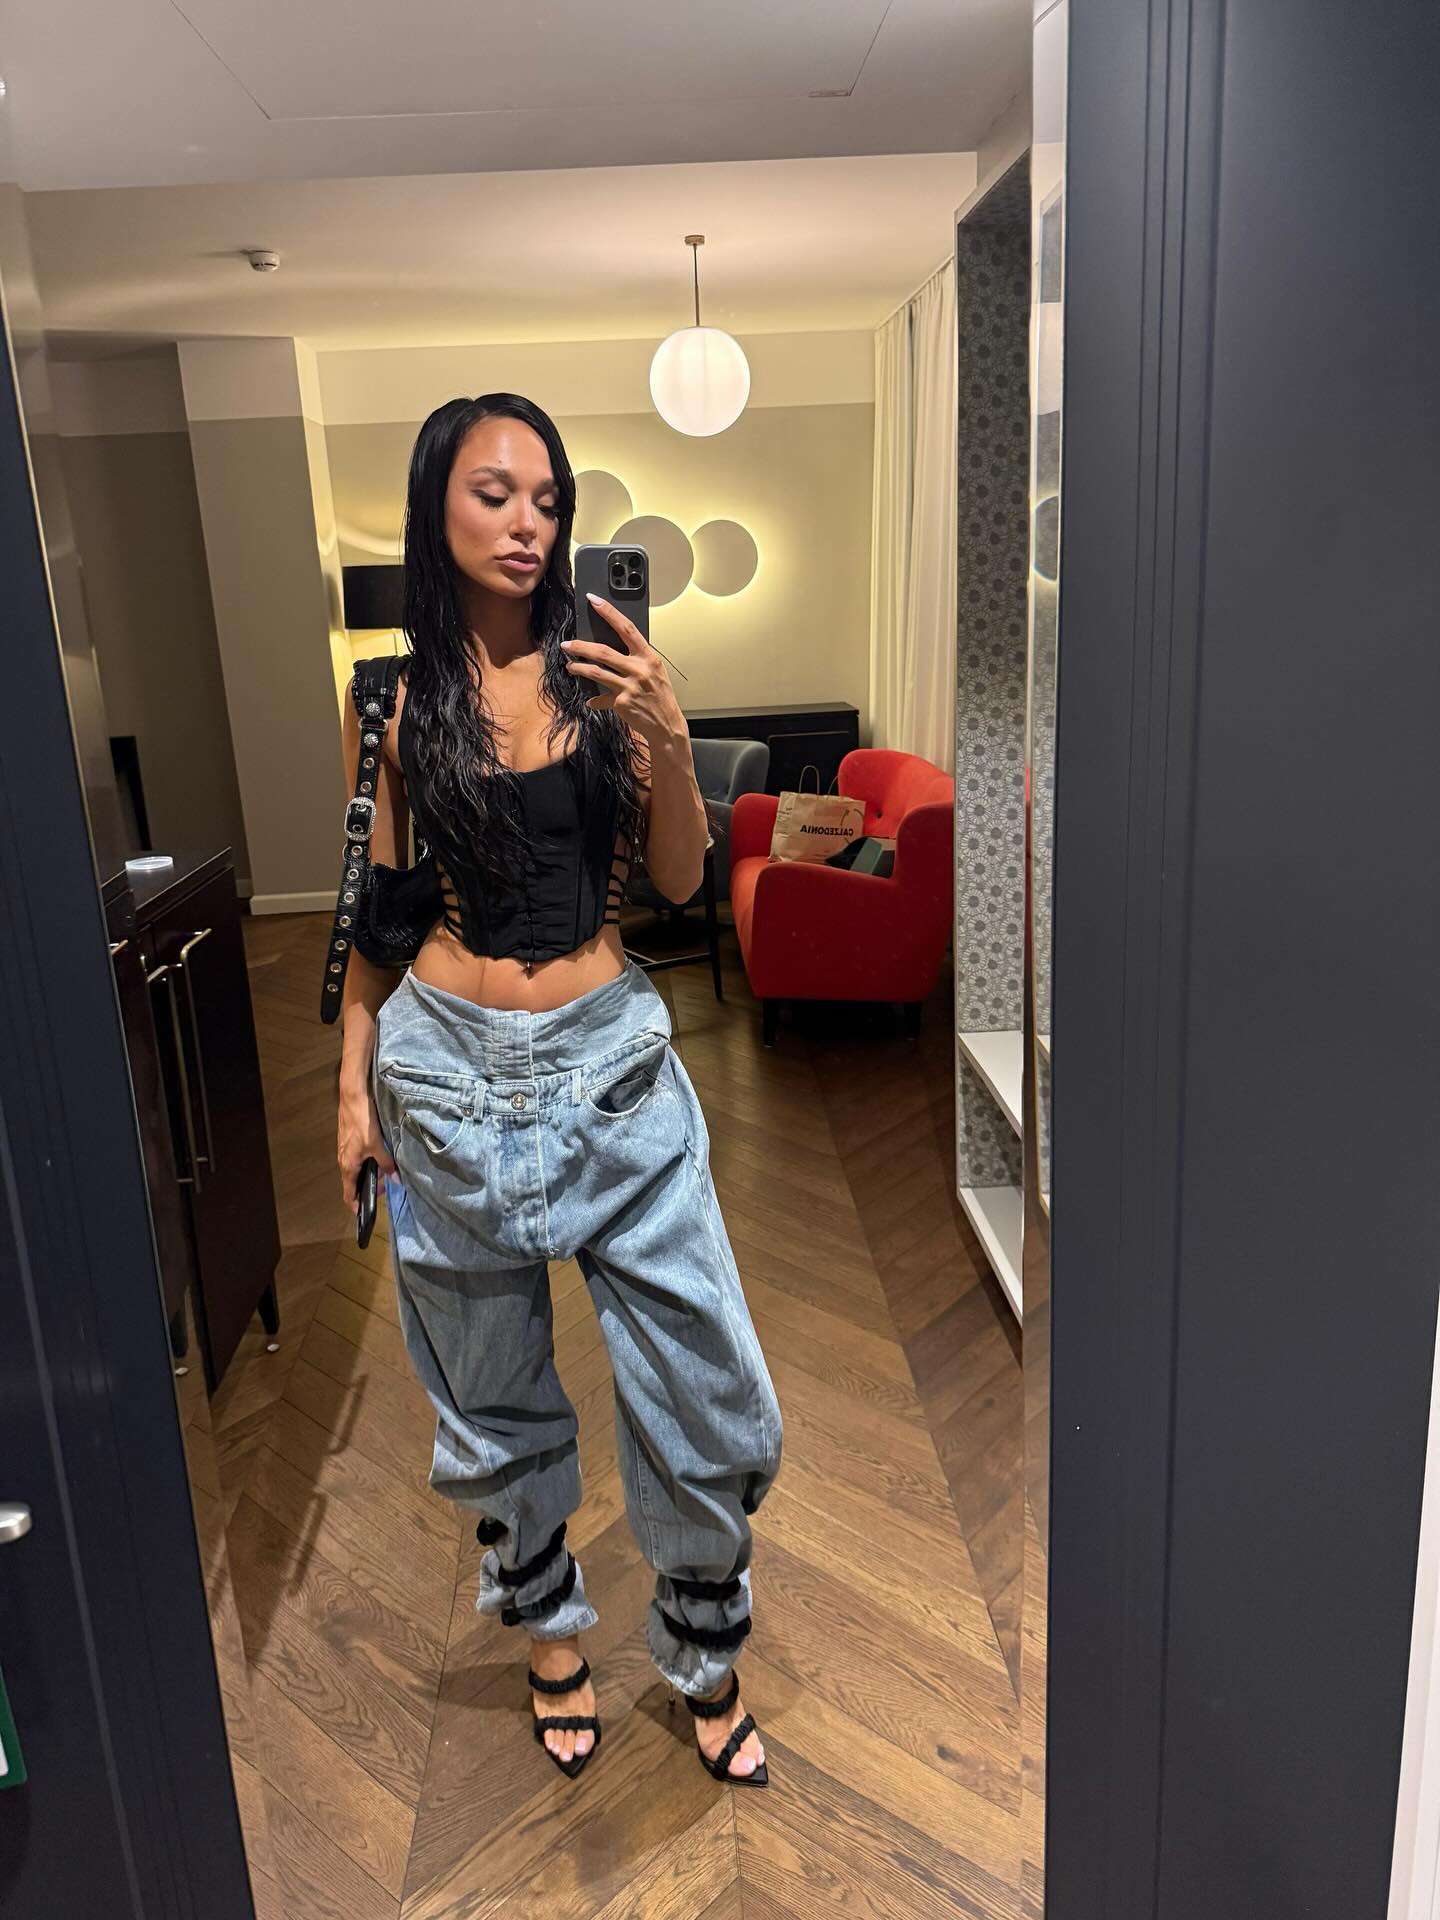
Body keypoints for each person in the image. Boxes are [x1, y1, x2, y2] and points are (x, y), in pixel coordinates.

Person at [335, 393, 782, 1789]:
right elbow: (375, 914)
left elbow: (679, 884)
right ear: (437, 508)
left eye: (546, 498)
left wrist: (668, 734)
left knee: (708, 1388)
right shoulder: (391, 702)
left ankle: (703, 1647)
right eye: (494, 493)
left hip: (613, 1073)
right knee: (491, 1401)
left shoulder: (605, 680)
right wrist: (350, 1090)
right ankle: (550, 1641)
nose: (527, 522)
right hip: (443, 1080)